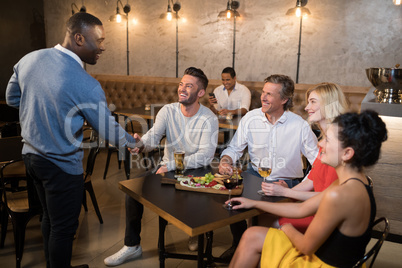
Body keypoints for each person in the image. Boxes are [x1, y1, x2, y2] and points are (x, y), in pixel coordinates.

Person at [6, 13, 137, 268]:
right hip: (61, 165)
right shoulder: (86, 84)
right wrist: (134, 142)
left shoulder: (28, 59)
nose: (102, 47)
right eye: (98, 41)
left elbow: (13, 98)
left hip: (31, 158)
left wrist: (43, 108)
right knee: (64, 229)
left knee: (49, 220)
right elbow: (109, 131)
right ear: (79, 38)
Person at [228, 110, 387, 268]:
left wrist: (286, 227)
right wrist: (254, 203)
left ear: (347, 153)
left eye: (328, 140)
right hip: (336, 257)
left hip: (323, 263)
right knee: (251, 235)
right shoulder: (355, 182)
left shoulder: (339, 194)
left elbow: (305, 246)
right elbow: (301, 209)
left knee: (251, 237)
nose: (320, 144)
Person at [104, 67, 219, 267]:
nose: (182, 89)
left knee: (190, 200)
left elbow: (205, 156)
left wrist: (172, 166)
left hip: (196, 172)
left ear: (200, 93)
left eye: (189, 86)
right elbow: (153, 137)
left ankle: (195, 230)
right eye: (181, 84)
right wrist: (140, 144)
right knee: (133, 191)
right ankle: (132, 245)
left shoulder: (209, 118)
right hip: (166, 168)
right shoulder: (168, 110)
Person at [217, 74, 319, 261]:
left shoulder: (300, 126)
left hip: (286, 182)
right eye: (264, 92)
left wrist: (295, 188)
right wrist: (226, 161)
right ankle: (238, 245)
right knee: (231, 202)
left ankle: (256, 251)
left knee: (265, 223)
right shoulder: (250, 118)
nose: (263, 97)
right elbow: (234, 148)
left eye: (270, 94)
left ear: (284, 99)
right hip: (254, 176)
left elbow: (319, 164)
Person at [263, 82, 349, 233]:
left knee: (268, 219)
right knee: (265, 214)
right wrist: (287, 192)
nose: (306, 107)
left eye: (313, 102)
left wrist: (286, 193)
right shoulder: (325, 140)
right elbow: (311, 180)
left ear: (328, 105)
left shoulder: (337, 142)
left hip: (327, 216)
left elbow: (328, 196)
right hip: (318, 207)